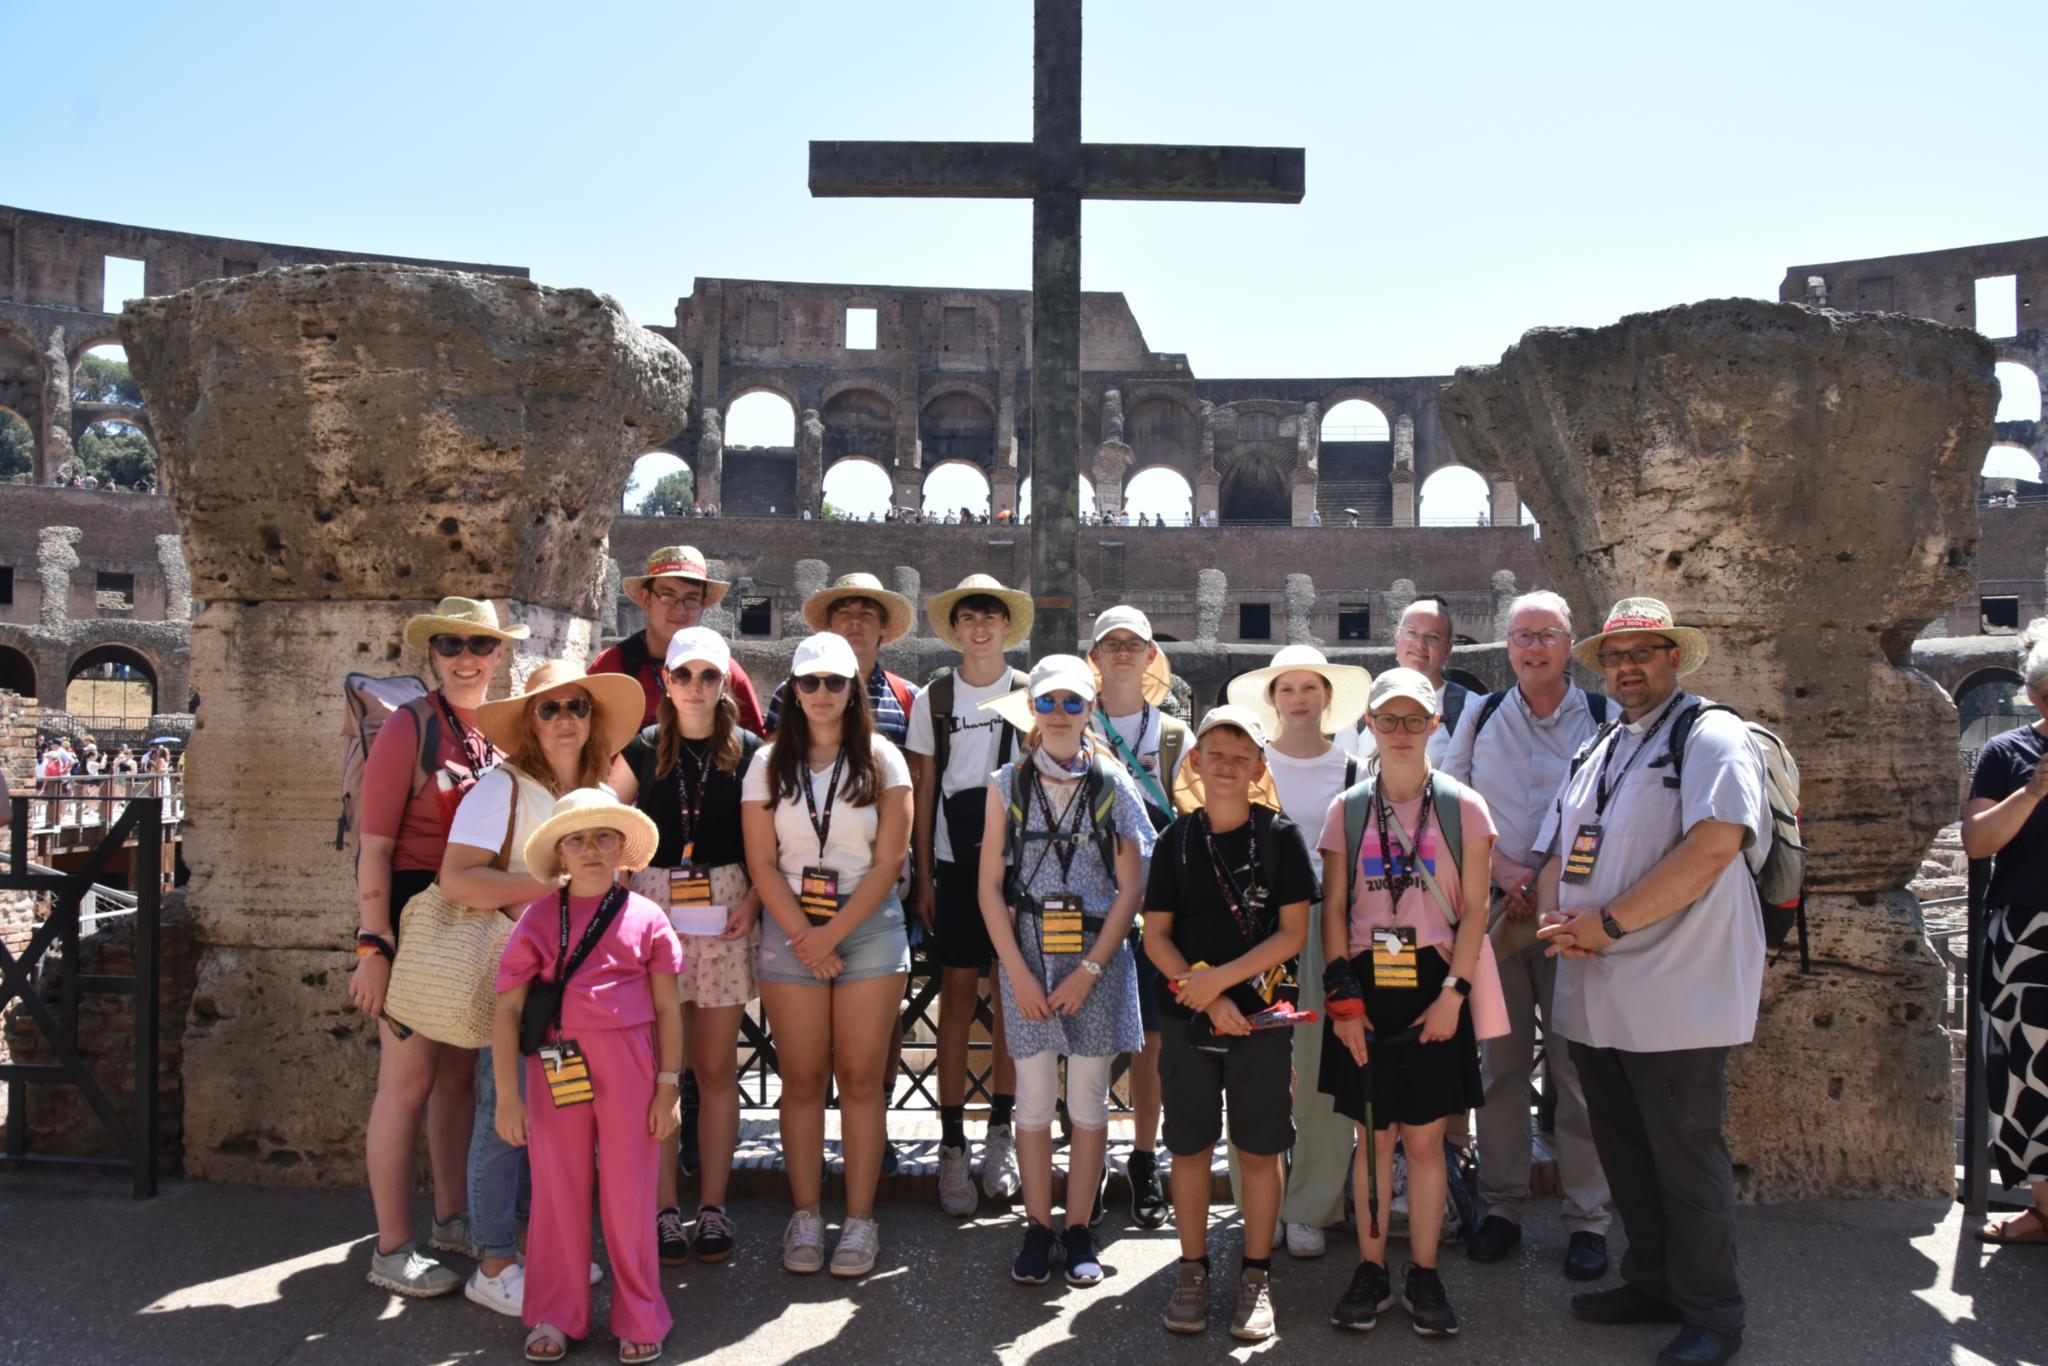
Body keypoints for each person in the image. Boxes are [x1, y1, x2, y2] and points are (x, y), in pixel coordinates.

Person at [1535, 598, 1768, 1366]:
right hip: (1599, 994)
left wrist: (1607, 924)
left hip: (1677, 993)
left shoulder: (1712, 734)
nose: (1628, 667)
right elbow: (1567, 850)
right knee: (1626, 1152)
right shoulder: (1606, 745)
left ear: (1676, 658)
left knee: (1685, 1157)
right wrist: (1559, 921)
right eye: (1616, 656)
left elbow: (1713, 848)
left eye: (1644, 652)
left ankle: (1714, 1314)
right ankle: (1653, 1280)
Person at [442, 661, 642, 1316]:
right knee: (505, 1116)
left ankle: (534, 1248)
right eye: (549, 709)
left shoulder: (602, 786)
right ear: (531, 720)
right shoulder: (501, 790)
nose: (563, 720)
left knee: (549, 1118)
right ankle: (496, 1260)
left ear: (593, 719)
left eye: (576, 708)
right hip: (519, 976)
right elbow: (459, 879)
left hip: (574, 992)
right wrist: (551, 890)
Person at [351, 598, 527, 1299]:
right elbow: (376, 846)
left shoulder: (495, 734)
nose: (466, 656)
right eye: (451, 643)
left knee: (460, 1080)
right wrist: (372, 944)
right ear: (431, 653)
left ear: (496, 654)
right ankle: (392, 1247)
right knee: (408, 1084)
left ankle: (454, 1217)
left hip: (475, 922)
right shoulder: (409, 727)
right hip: (416, 917)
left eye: (479, 643)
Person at [1319, 667, 1500, 1337]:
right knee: (1373, 1139)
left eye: (1413, 719)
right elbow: (1333, 907)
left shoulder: (1464, 806)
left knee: (1425, 1144)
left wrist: (1456, 992)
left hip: (1433, 982)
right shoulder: (1349, 808)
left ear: (1434, 725)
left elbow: (1478, 909)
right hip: (1366, 983)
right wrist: (1343, 998)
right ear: (1369, 723)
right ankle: (1371, 1268)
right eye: (1387, 719)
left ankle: (1423, 1272)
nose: (1400, 731)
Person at [1442, 591, 1614, 1280]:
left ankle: (1587, 1219)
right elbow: (1450, 804)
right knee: (1502, 1068)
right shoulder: (1481, 717)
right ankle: (1504, 1206)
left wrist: (1544, 881)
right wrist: (1508, 870)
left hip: (1573, 919)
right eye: (1521, 636)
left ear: (1570, 643)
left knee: (1576, 1072)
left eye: (1547, 634)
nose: (1534, 647)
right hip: (1502, 917)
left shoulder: (1604, 719)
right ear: (1505, 647)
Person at [976, 655, 1155, 1284]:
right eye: (1048, 702)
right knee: (1030, 1100)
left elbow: (1131, 888)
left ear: (1089, 710)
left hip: (1095, 960)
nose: (1058, 714)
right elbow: (988, 890)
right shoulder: (1008, 784)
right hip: (1027, 954)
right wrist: (1018, 975)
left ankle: (1078, 1230)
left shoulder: (1112, 782)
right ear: (1032, 708)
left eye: (1072, 703)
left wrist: (1090, 969)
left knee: (1085, 1100)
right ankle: (1036, 1227)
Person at [741, 632, 913, 1279]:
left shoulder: (884, 760)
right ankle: (807, 1213)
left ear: (852, 691)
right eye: (807, 684)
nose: (819, 695)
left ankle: (861, 1219)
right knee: (804, 1080)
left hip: (863, 926)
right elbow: (761, 860)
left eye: (833, 683)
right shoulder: (766, 764)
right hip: (793, 927)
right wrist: (805, 935)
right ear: (791, 690)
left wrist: (832, 933)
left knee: (863, 1082)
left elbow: (891, 859)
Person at [492, 788, 681, 1364]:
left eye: (604, 837)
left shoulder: (647, 916)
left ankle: (639, 1313)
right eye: (577, 839)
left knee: (629, 1194)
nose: (592, 849)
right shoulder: (538, 918)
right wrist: (507, 1096)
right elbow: (507, 1010)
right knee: (558, 1191)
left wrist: (669, 1085)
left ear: (622, 848)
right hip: (555, 1065)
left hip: (630, 1065)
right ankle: (555, 1311)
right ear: (561, 852)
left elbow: (670, 1007)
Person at [1143, 705, 1313, 1342]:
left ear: (1258, 768)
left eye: (1242, 756)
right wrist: (1207, 993)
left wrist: (1223, 984)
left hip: (1263, 1018)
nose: (1227, 765)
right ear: (1195, 760)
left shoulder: (1281, 837)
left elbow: (1293, 934)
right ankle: (1192, 1271)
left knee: (1259, 1149)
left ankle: (1255, 1275)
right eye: (1216, 752)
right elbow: (1155, 935)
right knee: (1188, 1147)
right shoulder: (1175, 839)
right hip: (1190, 1015)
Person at [609, 627, 764, 1266]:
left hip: (726, 908)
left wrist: (753, 900)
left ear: (724, 682)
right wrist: (625, 904)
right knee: (660, 1073)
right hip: (654, 913)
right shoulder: (640, 751)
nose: (696, 687)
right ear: (665, 684)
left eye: (708, 676)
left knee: (717, 1068)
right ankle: (665, 1210)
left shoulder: (752, 752)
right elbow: (608, 826)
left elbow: (770, 843)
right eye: (683, 676)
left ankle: (714, 1207)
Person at [1225, 644, 1370, 1260]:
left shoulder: (1354, 769)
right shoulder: (1253, 764)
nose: (1300, 699)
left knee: (1322, 1067)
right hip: (1257, 926)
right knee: (1254, 1066)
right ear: (1273, 698)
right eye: (1289, 689)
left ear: (1328, 698)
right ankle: (1260, 1200)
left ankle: (1311, 1203)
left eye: (1311, 688)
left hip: (1326, 924)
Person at [906, 575, 1033, 1217]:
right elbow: (924, 792)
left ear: (1005, 627)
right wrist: (923, 876)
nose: (980, 627)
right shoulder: (935, 697)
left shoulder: (1028, 693)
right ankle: (951, 1142)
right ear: (955, 629)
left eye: (990, 616)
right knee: (956, 1002)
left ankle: (1001, 1133)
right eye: (968, 617)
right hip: (956, 867)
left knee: (1011, 1001)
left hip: (1014, 869)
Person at [1087, 605, 1191, 1228]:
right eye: (1111, 644)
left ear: (1151, 656)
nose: (1123, 653)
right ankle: (1091, 1157)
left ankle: (1145, 1157)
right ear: (1095, 656)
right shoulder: (1070, 717)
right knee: (1092, 1041)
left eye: (1134, 644)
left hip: (1156, 905)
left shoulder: (1176, 734)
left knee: (1153, 1042)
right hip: (1091, 899)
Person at [1962, 628, 2048, 1247]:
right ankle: (2045, 1211)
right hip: (2031, 936)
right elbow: (1978, 842)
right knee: (2034, 1073)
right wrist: (2035, 789)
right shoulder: (2007, 754)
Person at [592, 546, 765, 734]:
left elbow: (756, 752)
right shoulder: (611, 667)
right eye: (668, 596)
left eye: (691, 599)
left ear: (703, 604)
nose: (680, 610)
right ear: (646, 599)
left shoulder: (724, 672)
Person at [762, 573, 919, 747]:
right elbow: (773, 762)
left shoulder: (909, 697)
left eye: (866, 613)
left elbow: (919, 768)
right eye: (845, 612)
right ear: (829, 624)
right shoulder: (791, 693)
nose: (855, 621)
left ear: (883, 626)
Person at [1348, 597, 1473, 766]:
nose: (1420, 644)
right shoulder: (1354, 706)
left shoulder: (1471, 708)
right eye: (1412, 633)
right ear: (1397, 637)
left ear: (1447, 649)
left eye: (1433, 637)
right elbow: (1343, 777)